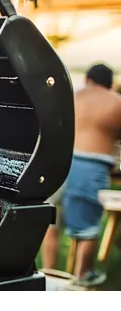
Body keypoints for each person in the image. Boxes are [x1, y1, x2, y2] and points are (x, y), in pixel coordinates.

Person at [62, 63, 121, 287]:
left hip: (62, 162)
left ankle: (51, 273)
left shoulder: (73, 95)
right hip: (91, 167)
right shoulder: (115, 101)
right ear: (110, 83)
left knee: (54, 223)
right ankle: (83, 276)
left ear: (88, 79)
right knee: (88, 227)